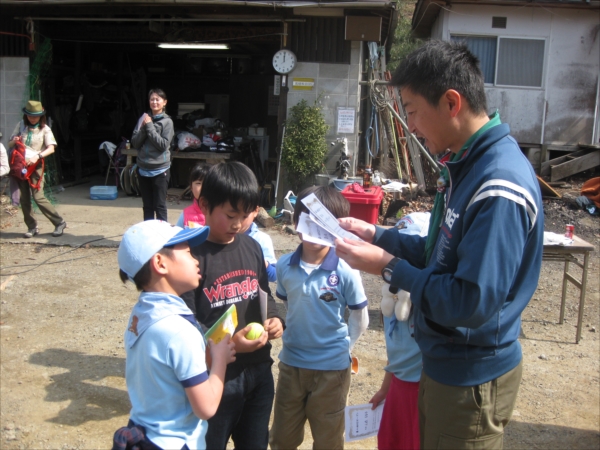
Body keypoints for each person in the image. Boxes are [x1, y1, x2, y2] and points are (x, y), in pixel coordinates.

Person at [335, 40, 544, 449]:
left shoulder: (497, 184)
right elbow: (440, 253)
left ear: (451, 102)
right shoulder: (465, 164)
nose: (409, 126)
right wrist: (379, 236)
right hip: (443, 362)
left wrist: (388, 266)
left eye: (412, 111)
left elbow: (469, 302)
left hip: (472, 373)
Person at [181, 161, 285, 450]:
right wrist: (231, 347)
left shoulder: (251, 248)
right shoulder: (192, 257)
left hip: (259, 372)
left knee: (255, 443)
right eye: (230, 215)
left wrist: (276, 319)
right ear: (204, 205)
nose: (238, 224)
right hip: (217, 377)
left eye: (245, 214)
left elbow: (264, 294)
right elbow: (187, 323)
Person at [114, 220, 236, 449]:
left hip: (146, 435)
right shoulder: (179, 331)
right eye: (189, 253)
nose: (195, 260)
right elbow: (206, 407)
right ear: (160, 263)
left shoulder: (140, 315)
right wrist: (220, 360)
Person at [269, 185, 368, 450]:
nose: (313, 229)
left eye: (322, 222)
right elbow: (290, 305)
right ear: (295, 221)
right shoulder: (284, 265)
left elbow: (360, 316)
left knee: (328, 440)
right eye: (307, 219)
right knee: (282, 438)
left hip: (332, 371)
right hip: (291, 365)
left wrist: (344, 349)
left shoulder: (347, 269)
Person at [369, 212, 430, 450]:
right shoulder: (391, 299)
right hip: (398, 388)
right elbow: (396, 351)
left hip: (423, 390)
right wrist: (385, 388)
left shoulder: (429, 302)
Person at [8, 100, 67, 238]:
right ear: (26, 115)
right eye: (29, 115)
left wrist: (38, 156)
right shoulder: (21, 125)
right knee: (24, 198)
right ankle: (32, 227)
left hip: (36, 165)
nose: (32, 118)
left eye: (35, 115)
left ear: (41, 116)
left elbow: (51, 148)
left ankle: (59, 222)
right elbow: (10, 143)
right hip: (21, 165)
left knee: (38, 197)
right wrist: (15, 140)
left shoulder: (45, 129)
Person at [131, 88, 174, 222]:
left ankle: (163, 238)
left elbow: (162, 145)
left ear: (164, 102)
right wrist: (145, 126)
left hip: (160, 170)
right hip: (143, 169)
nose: (154, 102)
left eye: (157, 99)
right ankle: (148, 237)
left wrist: (149, 126)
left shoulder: (167, 122)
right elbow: (135, 143)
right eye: (152, 99)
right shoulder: (143, 119)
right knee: (148, 206)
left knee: (159, 205)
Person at [240, 207, 278, 282]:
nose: (237, 221)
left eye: (244, 216)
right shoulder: (217, 237)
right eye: (230, 216)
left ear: (255, 211)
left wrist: (262, 262)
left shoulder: (261, 239)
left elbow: (274, 275)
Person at [176, 163, 210, 228]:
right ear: (191, 187)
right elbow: (177, 236)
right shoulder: (185, 215)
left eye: (207, 183)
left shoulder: (220, 214)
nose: (203, 187)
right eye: (198, 183)